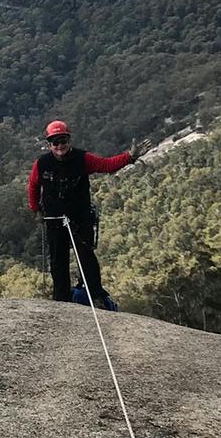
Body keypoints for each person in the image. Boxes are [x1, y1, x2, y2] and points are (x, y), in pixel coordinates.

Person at [28, 120, 142, 309]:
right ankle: (61, 299)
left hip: (80, 218)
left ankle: (95, 296)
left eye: (63, 141)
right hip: (55, 220)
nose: (60, 146)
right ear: (49, 145)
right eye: (55, 142)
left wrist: (129, 157)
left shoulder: (83, 159)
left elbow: (106, 165)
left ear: (69, 141)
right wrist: (35, 209)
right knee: (58, 261)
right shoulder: (42, 164)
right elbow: (33, 186)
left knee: (86, 257)